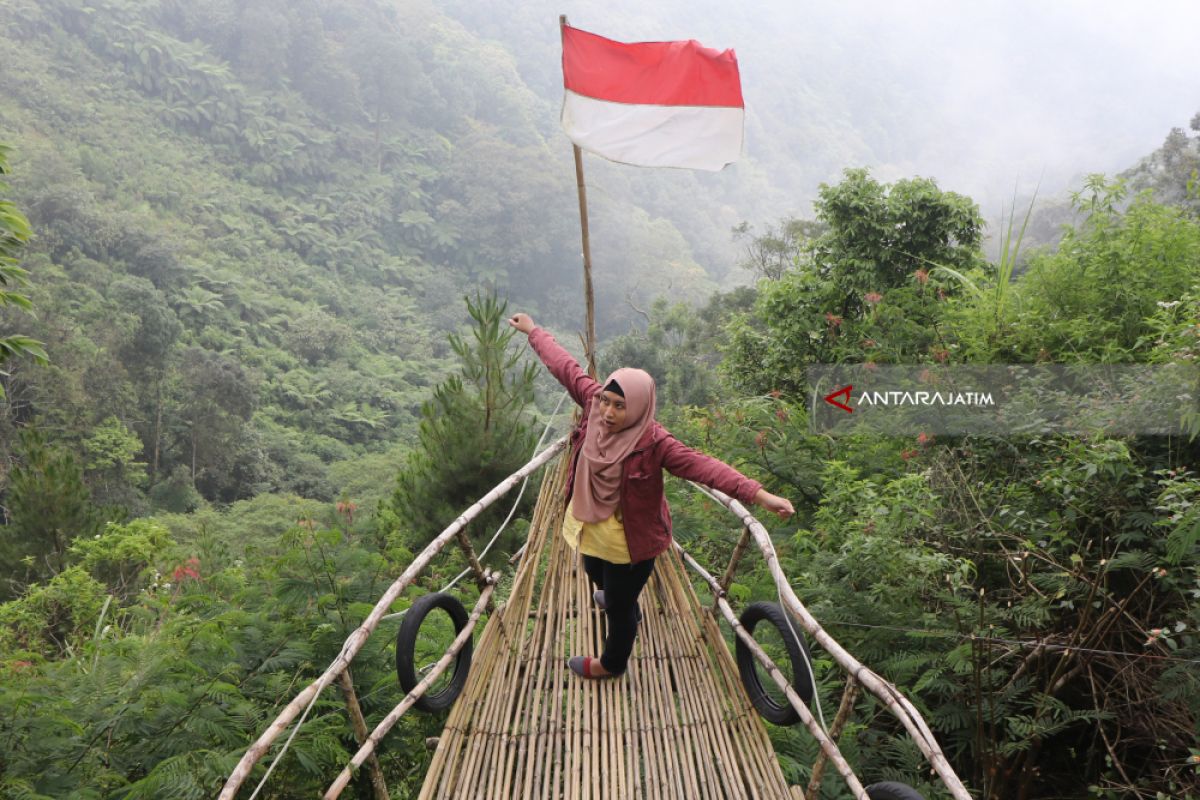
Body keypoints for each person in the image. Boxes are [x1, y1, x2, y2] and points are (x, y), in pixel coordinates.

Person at [508, 313, 795, 680]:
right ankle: (614, 597)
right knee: (592, 570)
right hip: (591, 524)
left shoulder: (655, 443)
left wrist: (760, 495)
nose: (608, 412)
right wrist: (533, 331)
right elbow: (563, 365)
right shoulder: (592, 405)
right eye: (607, 402)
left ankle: (611, 663)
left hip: (632, 542)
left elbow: (705, 467)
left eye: (619, 406)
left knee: (621, 605)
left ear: (640, 406)